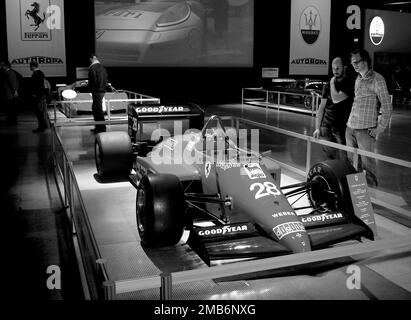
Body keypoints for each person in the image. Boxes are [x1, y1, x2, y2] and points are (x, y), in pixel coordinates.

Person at [346, 48, 393, 187]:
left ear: (365, 60)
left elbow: (387, 106)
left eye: (356, 62)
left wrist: (379, 128)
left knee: (368, 167)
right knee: (352, 165)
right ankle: (357, 199)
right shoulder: (358, 79)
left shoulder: (377, 79)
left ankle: (372, 200)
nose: (354, 65)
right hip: (351, 128)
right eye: (352, 63)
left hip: (365, 131)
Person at [313, 56, 355, 160]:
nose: (335, 71)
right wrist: (317, 128)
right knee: (330, 160)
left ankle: (351, 177)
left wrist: (332, 82)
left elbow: (336, 98)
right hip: (326, 127)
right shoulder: (327, 85)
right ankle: (334, 176)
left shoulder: (349, 83)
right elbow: (321, 107)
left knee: (346, 159)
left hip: (342, 128)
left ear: (344, 67)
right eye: (333, 68)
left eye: (338, 68)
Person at [88, 53, 108, 133]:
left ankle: (101, 127)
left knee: (97, 109)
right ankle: (99, 127)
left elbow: (93, 81)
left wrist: (91, 89)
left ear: (91, 58)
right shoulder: (102, 67)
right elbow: (106, 79)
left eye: (89, 59)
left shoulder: (93, 67)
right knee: (96, 108)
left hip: (96, 91)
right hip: (102, 90)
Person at [29, 60, 48, 133]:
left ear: (32, 66)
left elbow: (39, 86)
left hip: (38, 96)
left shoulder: (38, 74)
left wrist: (36, 94)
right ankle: (43, 125)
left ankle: (42, 126)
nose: (29, 67)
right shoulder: (38, 73)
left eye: (30, 66)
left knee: (39, 111)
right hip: (39, 95)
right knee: (38, 112)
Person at [0, 60, 20, 125]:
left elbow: (12, 83)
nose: (1, 67)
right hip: (11, 93)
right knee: (11, 108)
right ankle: (12, 120)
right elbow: (16, 83)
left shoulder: (9, 73)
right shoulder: (12, 72)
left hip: (10, 94)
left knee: (10, 108)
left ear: (5, 66)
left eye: (2, 66)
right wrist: (16, 90)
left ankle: (11, 121)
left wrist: (15, 91)